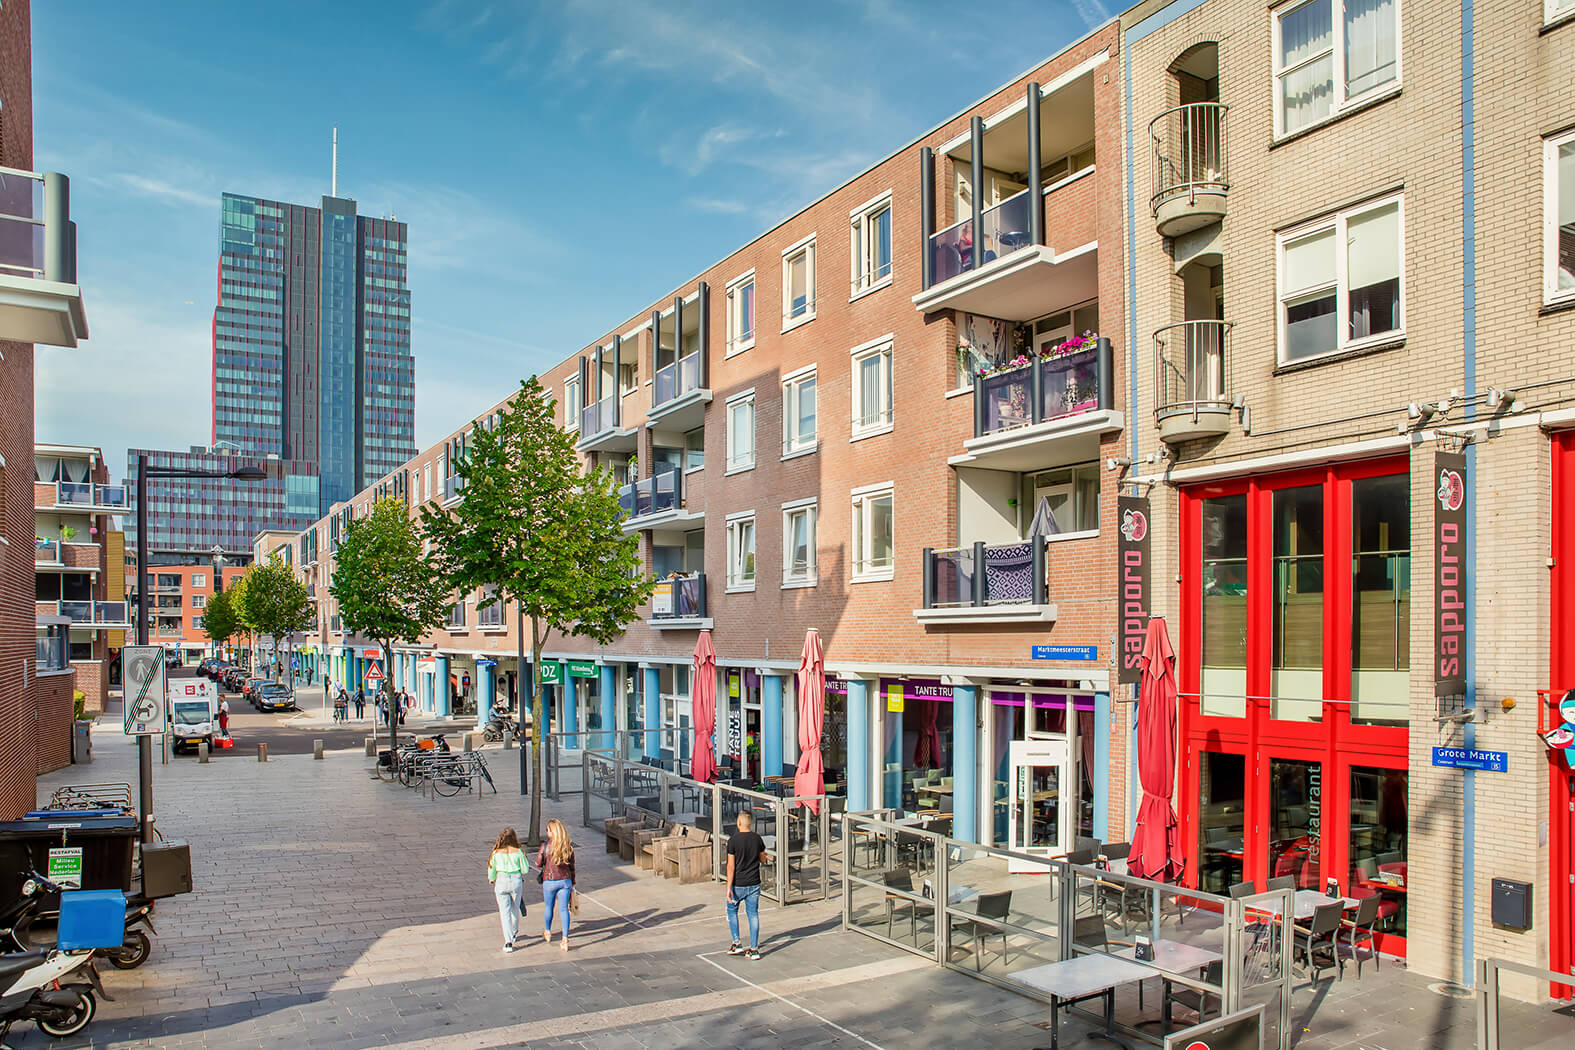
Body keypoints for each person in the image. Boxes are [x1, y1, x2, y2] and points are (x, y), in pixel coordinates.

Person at [725, 809, 770, 960]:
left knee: (732, 911)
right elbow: (763, 859)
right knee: (753, 914)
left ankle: (736, 942)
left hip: (738, 883)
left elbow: (731, 866)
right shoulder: (757, 839)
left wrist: (728, 887)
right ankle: (754, 948)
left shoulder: (733, 841)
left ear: (739, 823)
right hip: (754, 882)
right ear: (750, 823)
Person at [535, 818, 576, 951]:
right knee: (564, 909)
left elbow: (538, 862)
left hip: (550, 880)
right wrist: (573, 882)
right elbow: (572, 866)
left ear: (551, 831)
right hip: (565, 881)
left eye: (547, 830)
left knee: (549, 907)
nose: (546, 832)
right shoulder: (567, 846)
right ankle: (565, 939)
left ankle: (547, 931)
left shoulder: (546, 846)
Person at [487, 826, 530, 953]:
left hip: (501, 880)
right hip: (516, 880)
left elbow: (491, 869)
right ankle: (514, 931)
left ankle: (508, 941)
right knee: (514, 908)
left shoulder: (496, 853)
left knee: (504, 912)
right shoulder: (518, 852)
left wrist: (492, 878)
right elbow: (525, 870)